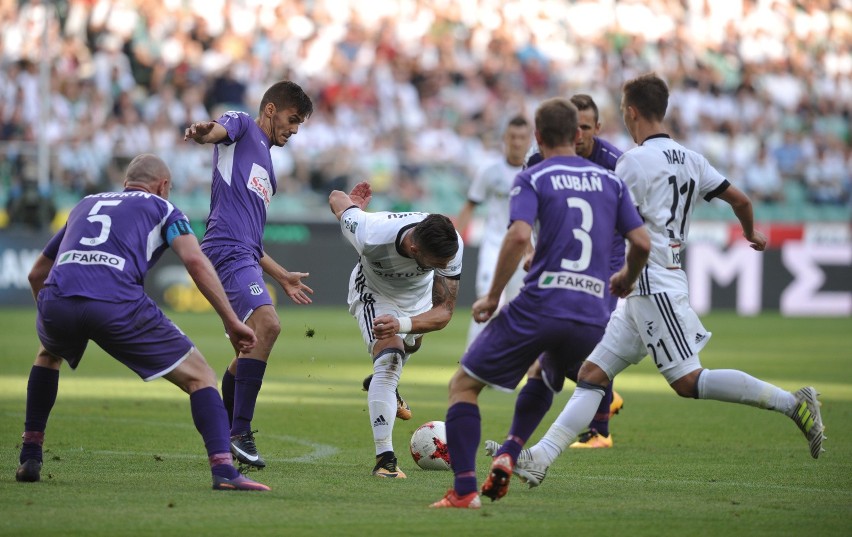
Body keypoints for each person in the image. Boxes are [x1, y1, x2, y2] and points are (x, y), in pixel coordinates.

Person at [513, 73, 826, 490]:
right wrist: (751, 233)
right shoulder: (691, 158)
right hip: (654, 281)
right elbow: (741, 200)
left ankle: (793, 403)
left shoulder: (633, 162)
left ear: (631, 111)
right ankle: (539, 458)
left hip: (650, 284)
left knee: (687, 381)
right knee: (592, 373)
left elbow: (608, 222)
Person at [430, 98, 650, 509]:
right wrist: (625, 279)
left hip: (542, 303)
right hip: (593, 311)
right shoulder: (612, 181)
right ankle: (511, 452)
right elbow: (641, 242)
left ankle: (463, 491)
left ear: (538, 137)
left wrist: (493, 295)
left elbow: (517, 237)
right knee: (546, 375)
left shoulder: (532, 175)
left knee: (463, 385)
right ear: (577, 134)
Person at [15, 154, 269, 491]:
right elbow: (194, 260)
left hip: (58, 298)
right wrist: (232, 320)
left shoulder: (85, 204)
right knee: (200, 376)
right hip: (116, 300)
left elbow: (36, 274)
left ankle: (30, 454)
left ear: (125, 184)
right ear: (163, 186)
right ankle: (224, 470)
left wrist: (51, 317)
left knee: (48, 354)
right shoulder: (164, 209)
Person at [184, 81, 315, 469]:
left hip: (242, 252)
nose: (294, 130)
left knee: (248, 348)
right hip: (225, 250)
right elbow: (219, 130)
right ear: (271, 110)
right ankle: (240, 432)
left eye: (300, 125)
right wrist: (206, 132)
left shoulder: (268, 169)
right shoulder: (242, 126)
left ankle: (225, 434)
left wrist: (280, 276)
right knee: (268, 324)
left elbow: (252, 240)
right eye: (292, 120)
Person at [488, 94, 626, 452]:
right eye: (572, 125)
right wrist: (532, 251)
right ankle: (601, 395)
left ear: (597, 128)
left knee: (587, 338)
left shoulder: (615, 163)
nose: (577, 133)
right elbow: (523, 220)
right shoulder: (538, 161)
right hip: (556, 257)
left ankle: (599, 428)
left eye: (585, 126)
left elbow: (633, 221)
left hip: (606, 260)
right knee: (560, 339)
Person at [329, 181, 464, 479]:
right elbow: (336, 198)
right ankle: (384, 458)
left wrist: (404, 324)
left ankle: (385, 383)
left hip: (418, 299)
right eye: (437, 264)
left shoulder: (450, 245)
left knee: (408, 348)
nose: (445, 265)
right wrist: (352, 208)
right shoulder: (369, 232)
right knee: (390, 361)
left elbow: (444, 313)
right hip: (375, 293)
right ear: (414, 248)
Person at [455, 115, 531, 349]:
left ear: (530, 140)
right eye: (512, 137)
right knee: (488, 300)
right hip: (495, 245)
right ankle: (471, 362)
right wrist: (453, 243)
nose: (516, 142)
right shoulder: (490, 171)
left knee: (518, 307)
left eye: (521, 137)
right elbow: (470, 205)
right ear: (504, 139)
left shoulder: (536, 171)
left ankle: (506, 366)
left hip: (525, 249)